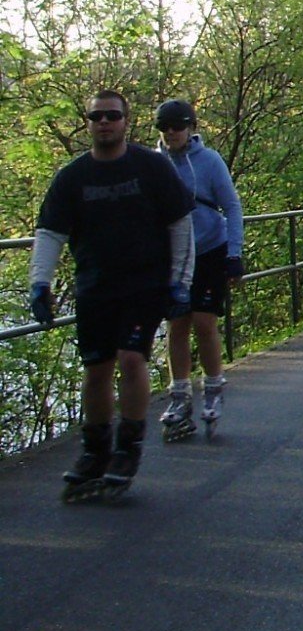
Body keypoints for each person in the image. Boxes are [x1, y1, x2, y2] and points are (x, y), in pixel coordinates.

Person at [28, 89, 194, 500]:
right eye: (97, 116)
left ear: (126, 121)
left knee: (132, 357)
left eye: (112, 116)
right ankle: (95, 451)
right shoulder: (72, 177)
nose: (105, 123)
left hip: (143, 285)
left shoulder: (151, 167)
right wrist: (40, 283)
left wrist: (180, 282)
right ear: (88, 122)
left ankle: (128, 447)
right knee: (97, 369)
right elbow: (50, 232)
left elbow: (180, 224)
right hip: (95, 287)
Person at [154, 99, 245, 441]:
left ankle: (213, 387)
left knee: (205, 322)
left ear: (190, 127)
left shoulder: (208, 161)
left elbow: (232, 206)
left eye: (177, 126)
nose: (171, 133)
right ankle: (179, 395)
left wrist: (234, 253)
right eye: (164, 128)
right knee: (177, 325)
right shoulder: (155, 164)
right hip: (173, 256)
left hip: (209, 249)